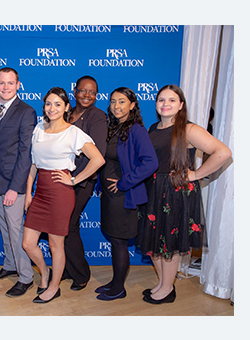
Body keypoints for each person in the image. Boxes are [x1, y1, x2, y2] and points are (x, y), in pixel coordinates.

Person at [136, 84, 232, 304]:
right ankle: (162, 283)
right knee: (157, 243)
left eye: (171, 100)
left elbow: (223, 152)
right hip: (154, 190)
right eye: (161, 100)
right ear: (156, 103)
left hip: (174, 192)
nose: (165, 104)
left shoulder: (189, 129)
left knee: (169, 243)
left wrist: (196, 175)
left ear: (180, 105)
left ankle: (167, 289)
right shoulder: (153, 128)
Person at [23, 87, 105, 303]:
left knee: (55, 244)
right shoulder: (39, 128)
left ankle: (53, 287)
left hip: (61, 192)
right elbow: (33, 164)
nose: (52, 108)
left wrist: (74, 179)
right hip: (40, 190)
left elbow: (98, 160)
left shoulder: (74, 132)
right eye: (48, 103)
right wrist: (28, 192)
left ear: (66, 107)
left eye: (58, 104)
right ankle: (45, 273)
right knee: (28, 243)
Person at [96, 87, 158, 301]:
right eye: (113, 101)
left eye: (121, 101)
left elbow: (151, 163)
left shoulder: (136, 130)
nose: (116, 106)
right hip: (110, 195)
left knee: (119, 241)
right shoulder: (115, 127)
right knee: (115, 240)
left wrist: (124, 183)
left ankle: (119, 289)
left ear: (132, 105)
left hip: (124, 195)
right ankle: (114, 282)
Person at [0, 67, 38, 297]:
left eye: (10, 83)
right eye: (1, 83)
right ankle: (10, 265)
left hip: (12, 185)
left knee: (16, 231)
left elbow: (26, 152)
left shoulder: (27, 111)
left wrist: (15, 189)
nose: (6, 87)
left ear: (18, 85)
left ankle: (26, 277)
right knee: (5, 227)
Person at [63, 75, 108, 291]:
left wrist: (75, 178)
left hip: (81, 181)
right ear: (75, 91)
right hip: (61, 180)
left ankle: (81, 273)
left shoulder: (98, 117)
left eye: (92, 92)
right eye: (83, 90)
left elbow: (97, 153)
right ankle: (66, 268)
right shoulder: (66, 113)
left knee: (69, 226)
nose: (87, 95)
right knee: (61, 227)